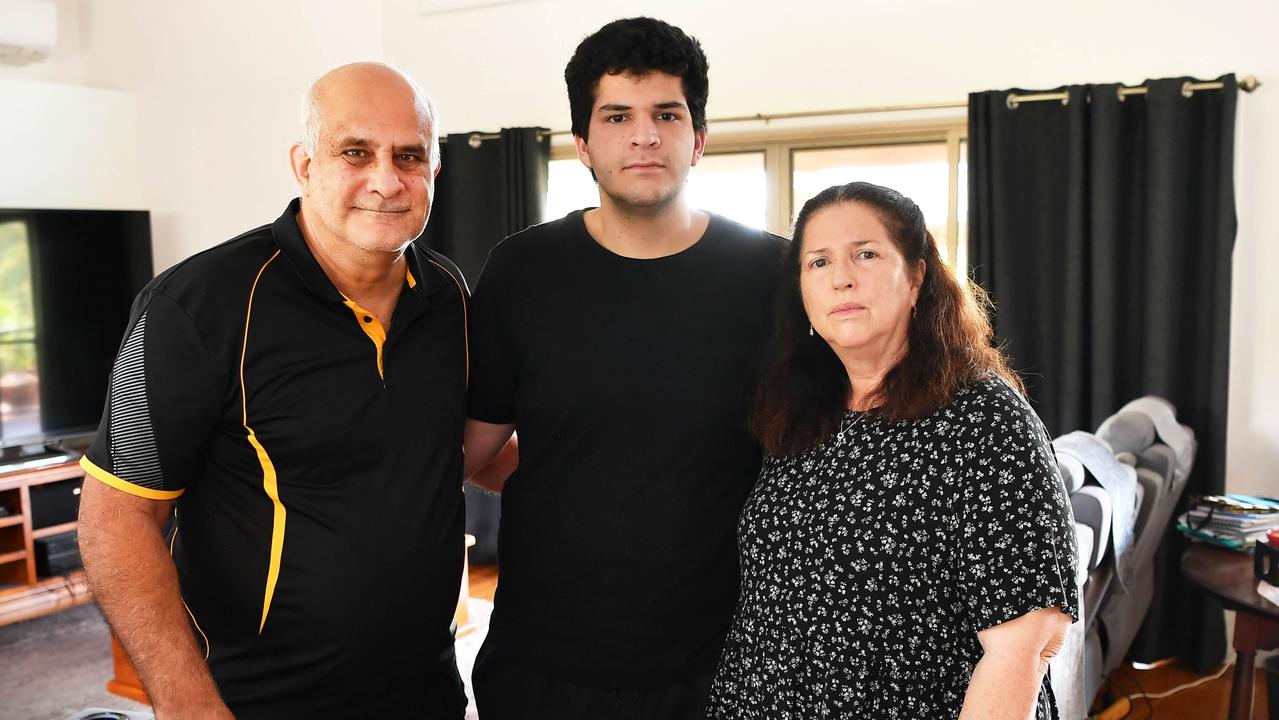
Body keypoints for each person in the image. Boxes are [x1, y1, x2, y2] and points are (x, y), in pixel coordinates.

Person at [76, 63, 469, 719]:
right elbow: (115, 519)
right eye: (355, 152)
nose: (385, 178)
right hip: (259, 703)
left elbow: (461, 449)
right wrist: (187, 705)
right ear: (304, 163)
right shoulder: (196, 305)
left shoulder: (449, 295)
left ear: (433, 168)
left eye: (409, 155)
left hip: (428, 693)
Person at [461, 17, 785, 720]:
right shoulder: (523, 270)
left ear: (697, 138)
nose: (644, 136)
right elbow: (471, 450)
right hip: (542, 664)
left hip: (723, 662)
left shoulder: (773, 273)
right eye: (617, 116)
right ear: (582, 143)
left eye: (666, 115)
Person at [703, 181, 1079, 719]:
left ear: (917, 276)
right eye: (818, 262)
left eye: (867, 254)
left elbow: (1027, 642)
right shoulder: (797, 410)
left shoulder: (983, 419)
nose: (842, 278)